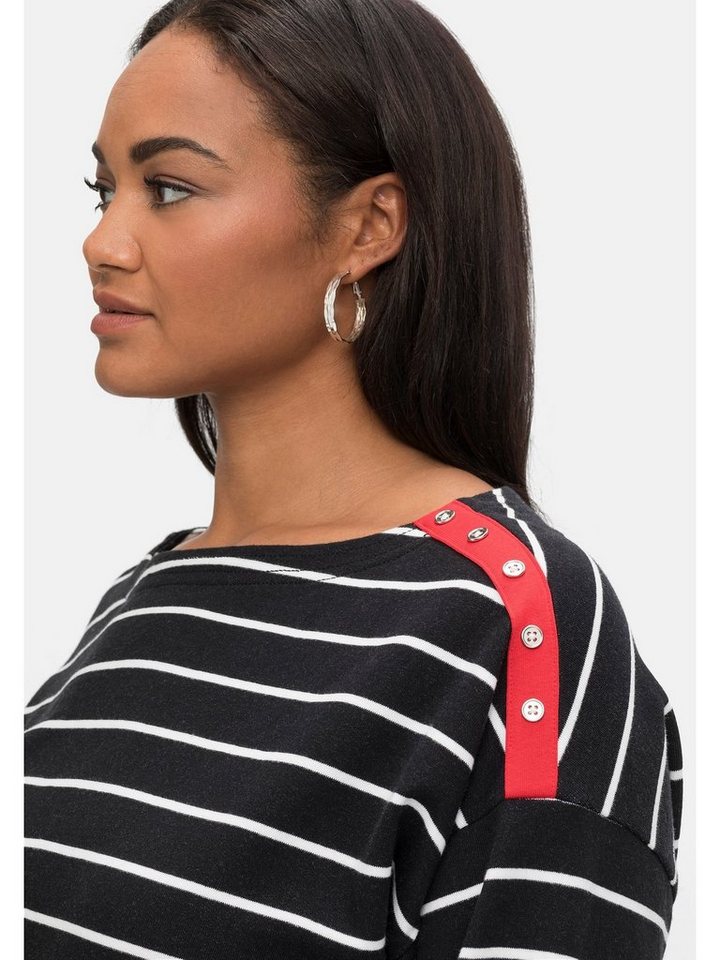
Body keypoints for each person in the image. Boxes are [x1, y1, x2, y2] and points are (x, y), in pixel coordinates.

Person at [24, 1, 684, 958]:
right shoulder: (141, 601)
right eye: (104, 192)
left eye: (168, 188)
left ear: (369, 226)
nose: (103, 243)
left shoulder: (522, 624)